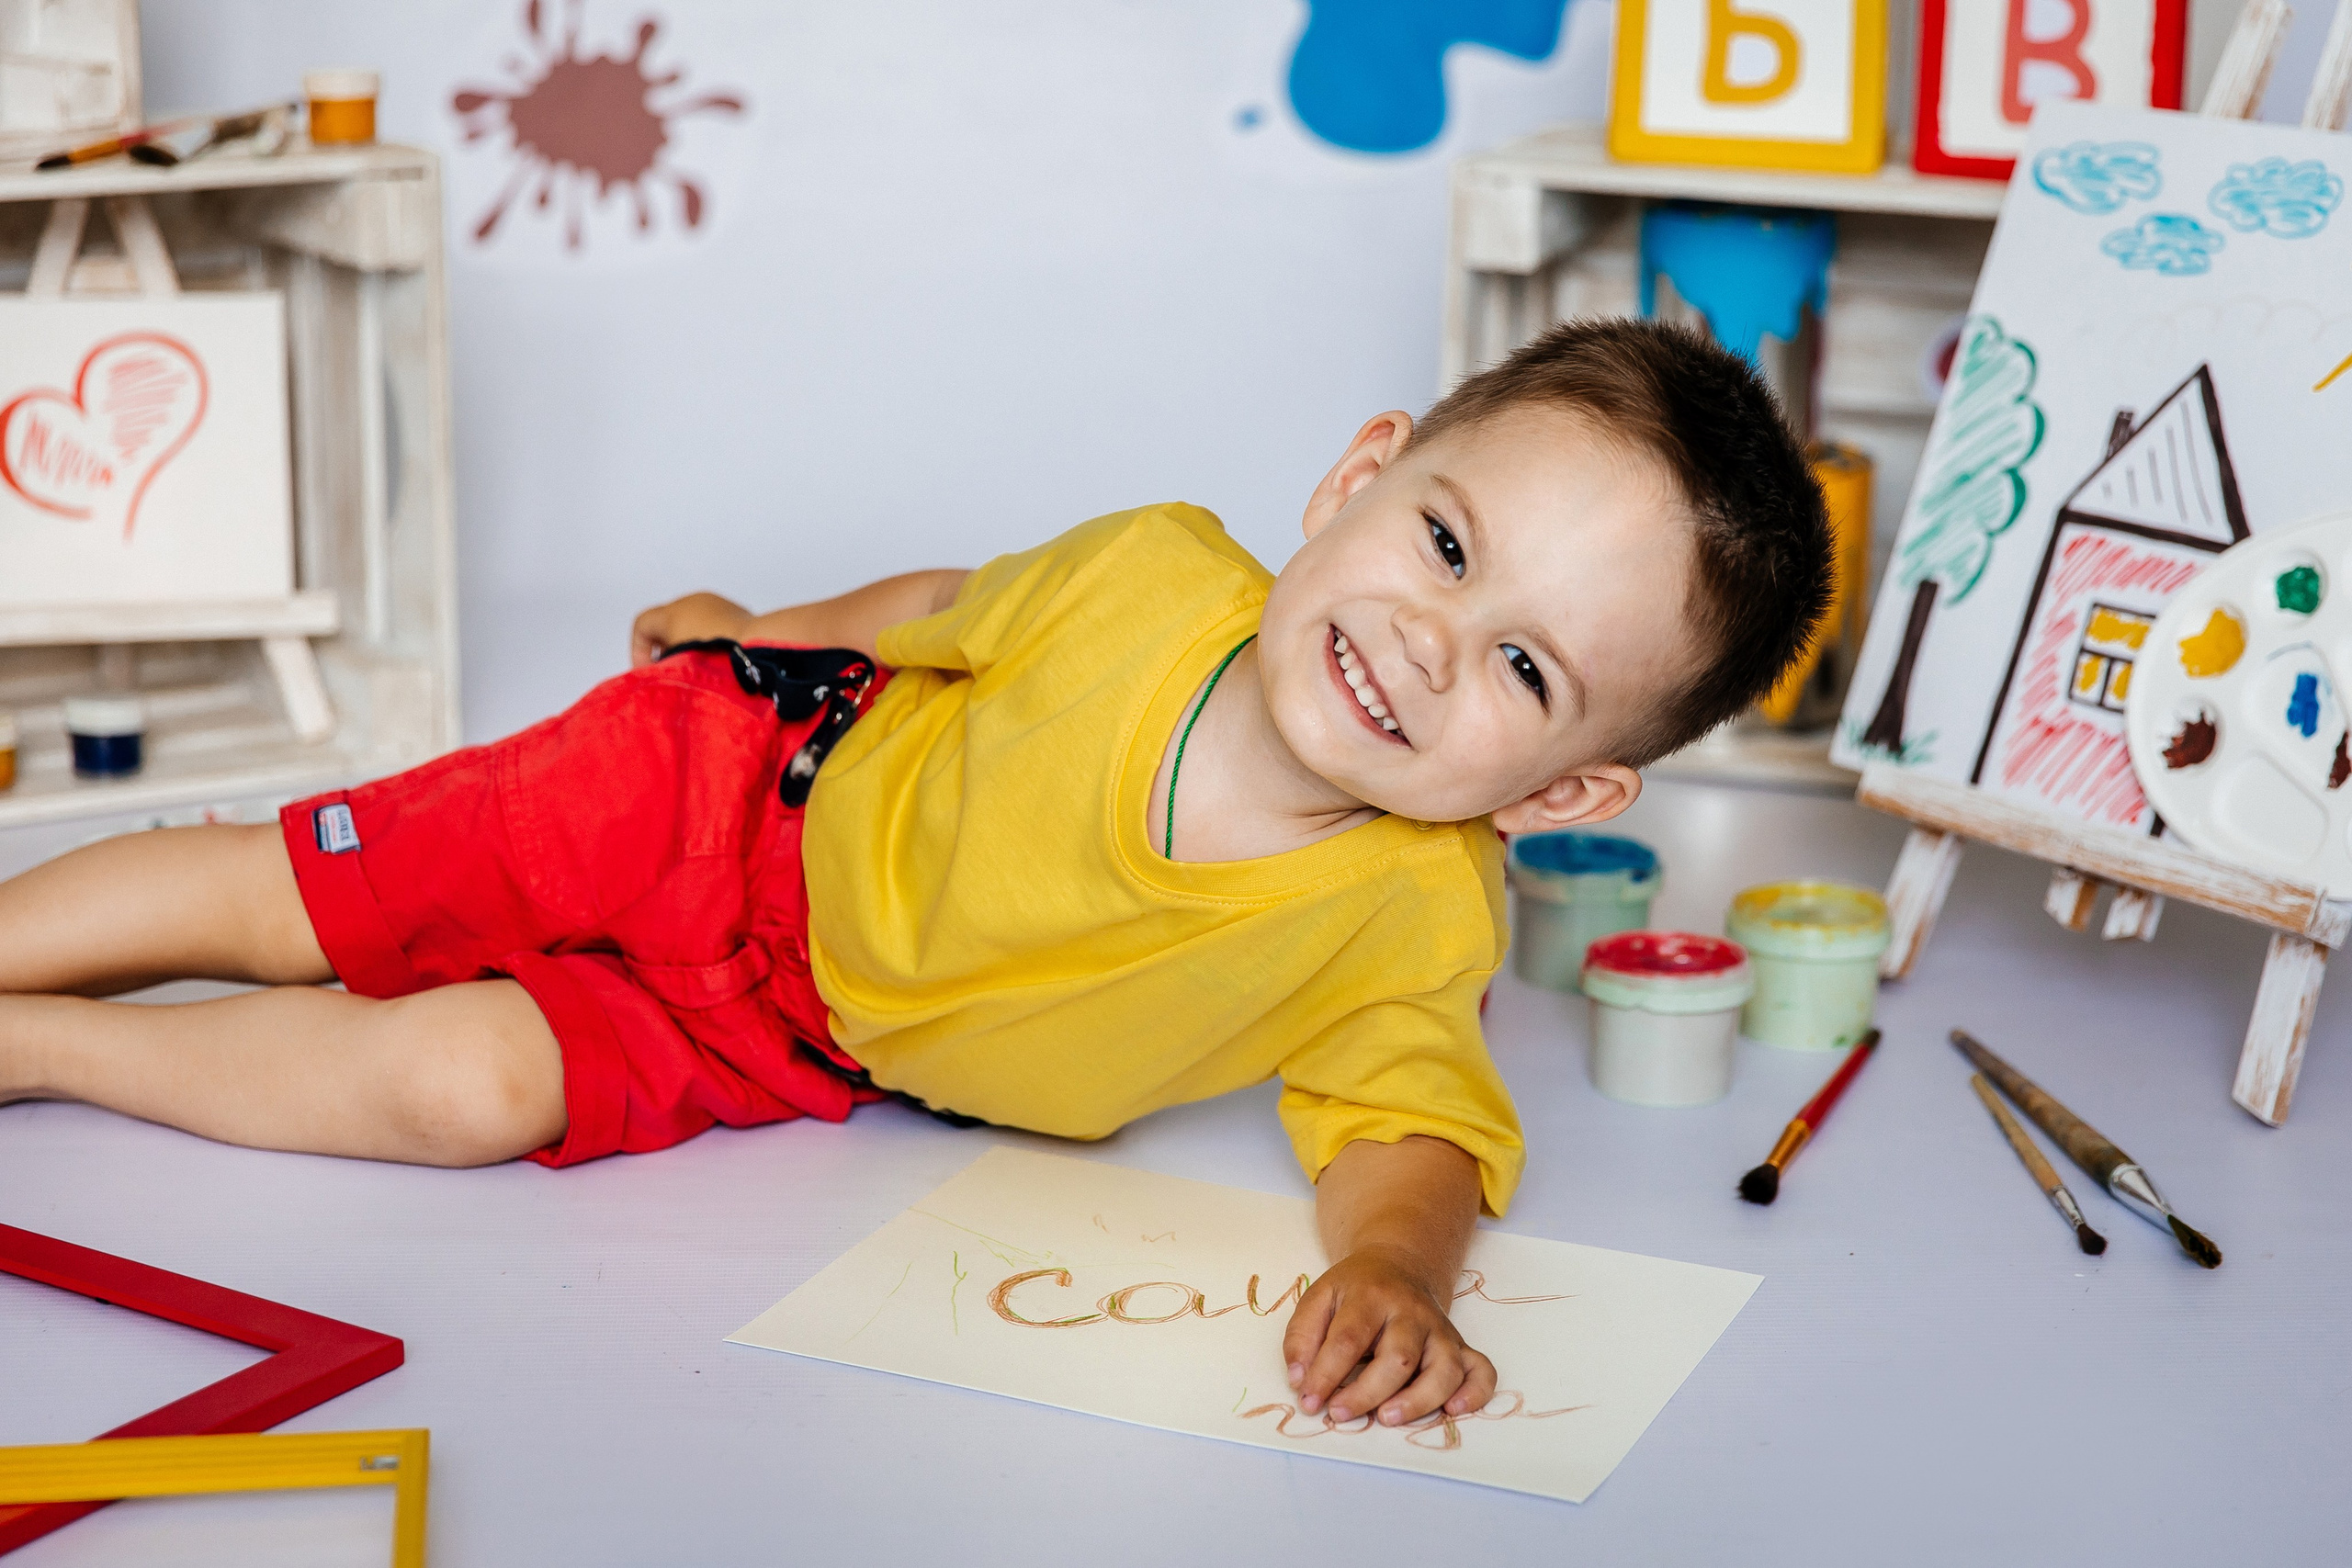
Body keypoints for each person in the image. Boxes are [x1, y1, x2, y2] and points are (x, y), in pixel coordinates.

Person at [0, 318, 1829, 1437]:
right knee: (321, 900)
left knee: (461, 1088)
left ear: (1562, 788)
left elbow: (1407, 1124)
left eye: (1523, 666)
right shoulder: (1148, 575)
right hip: (726, 781)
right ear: (1359, 474)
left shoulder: (1409, 915)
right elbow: (944, 611)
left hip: (793, 1039)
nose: (1432, 639)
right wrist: (759, 628)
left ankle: (45, 1049)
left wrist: (1398, 1270)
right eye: (1442, 541)